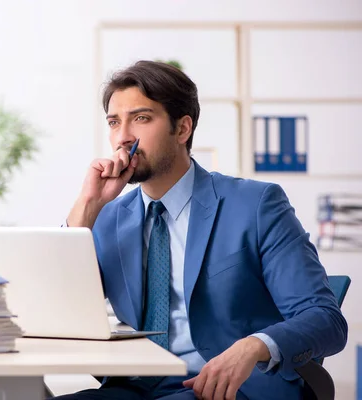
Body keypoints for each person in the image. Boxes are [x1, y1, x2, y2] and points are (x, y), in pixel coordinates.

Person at [55, 60, 347, 400]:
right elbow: (57, 311)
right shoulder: (107, 217)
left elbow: (325, 319)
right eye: (114, 122)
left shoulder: (256, 205)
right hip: (136, 385)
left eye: (142, 118)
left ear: (182, 129)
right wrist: (87, 206)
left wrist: (254, 346)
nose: (123, 137)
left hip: (229, 388)